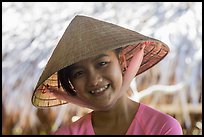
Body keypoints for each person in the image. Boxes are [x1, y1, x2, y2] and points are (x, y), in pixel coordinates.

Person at [31, 15, 183, 135]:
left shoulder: (162, 128)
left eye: (102, 63)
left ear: (122, 62)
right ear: (71, 83)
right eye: (78, 73)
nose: (94, 80)